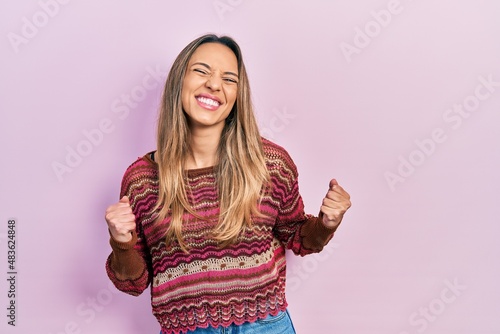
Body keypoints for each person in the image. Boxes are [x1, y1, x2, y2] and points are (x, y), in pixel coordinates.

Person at [104, 33, 351, 334]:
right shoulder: (142, 180)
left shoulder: (270, 164)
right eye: (201, 70)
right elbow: (133, 282)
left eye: (229, 78)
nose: (214, 84)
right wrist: (121, 241)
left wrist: (326, 224)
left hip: (266, 326)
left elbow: (298, 236)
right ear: (178, 81)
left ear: (237, 96)